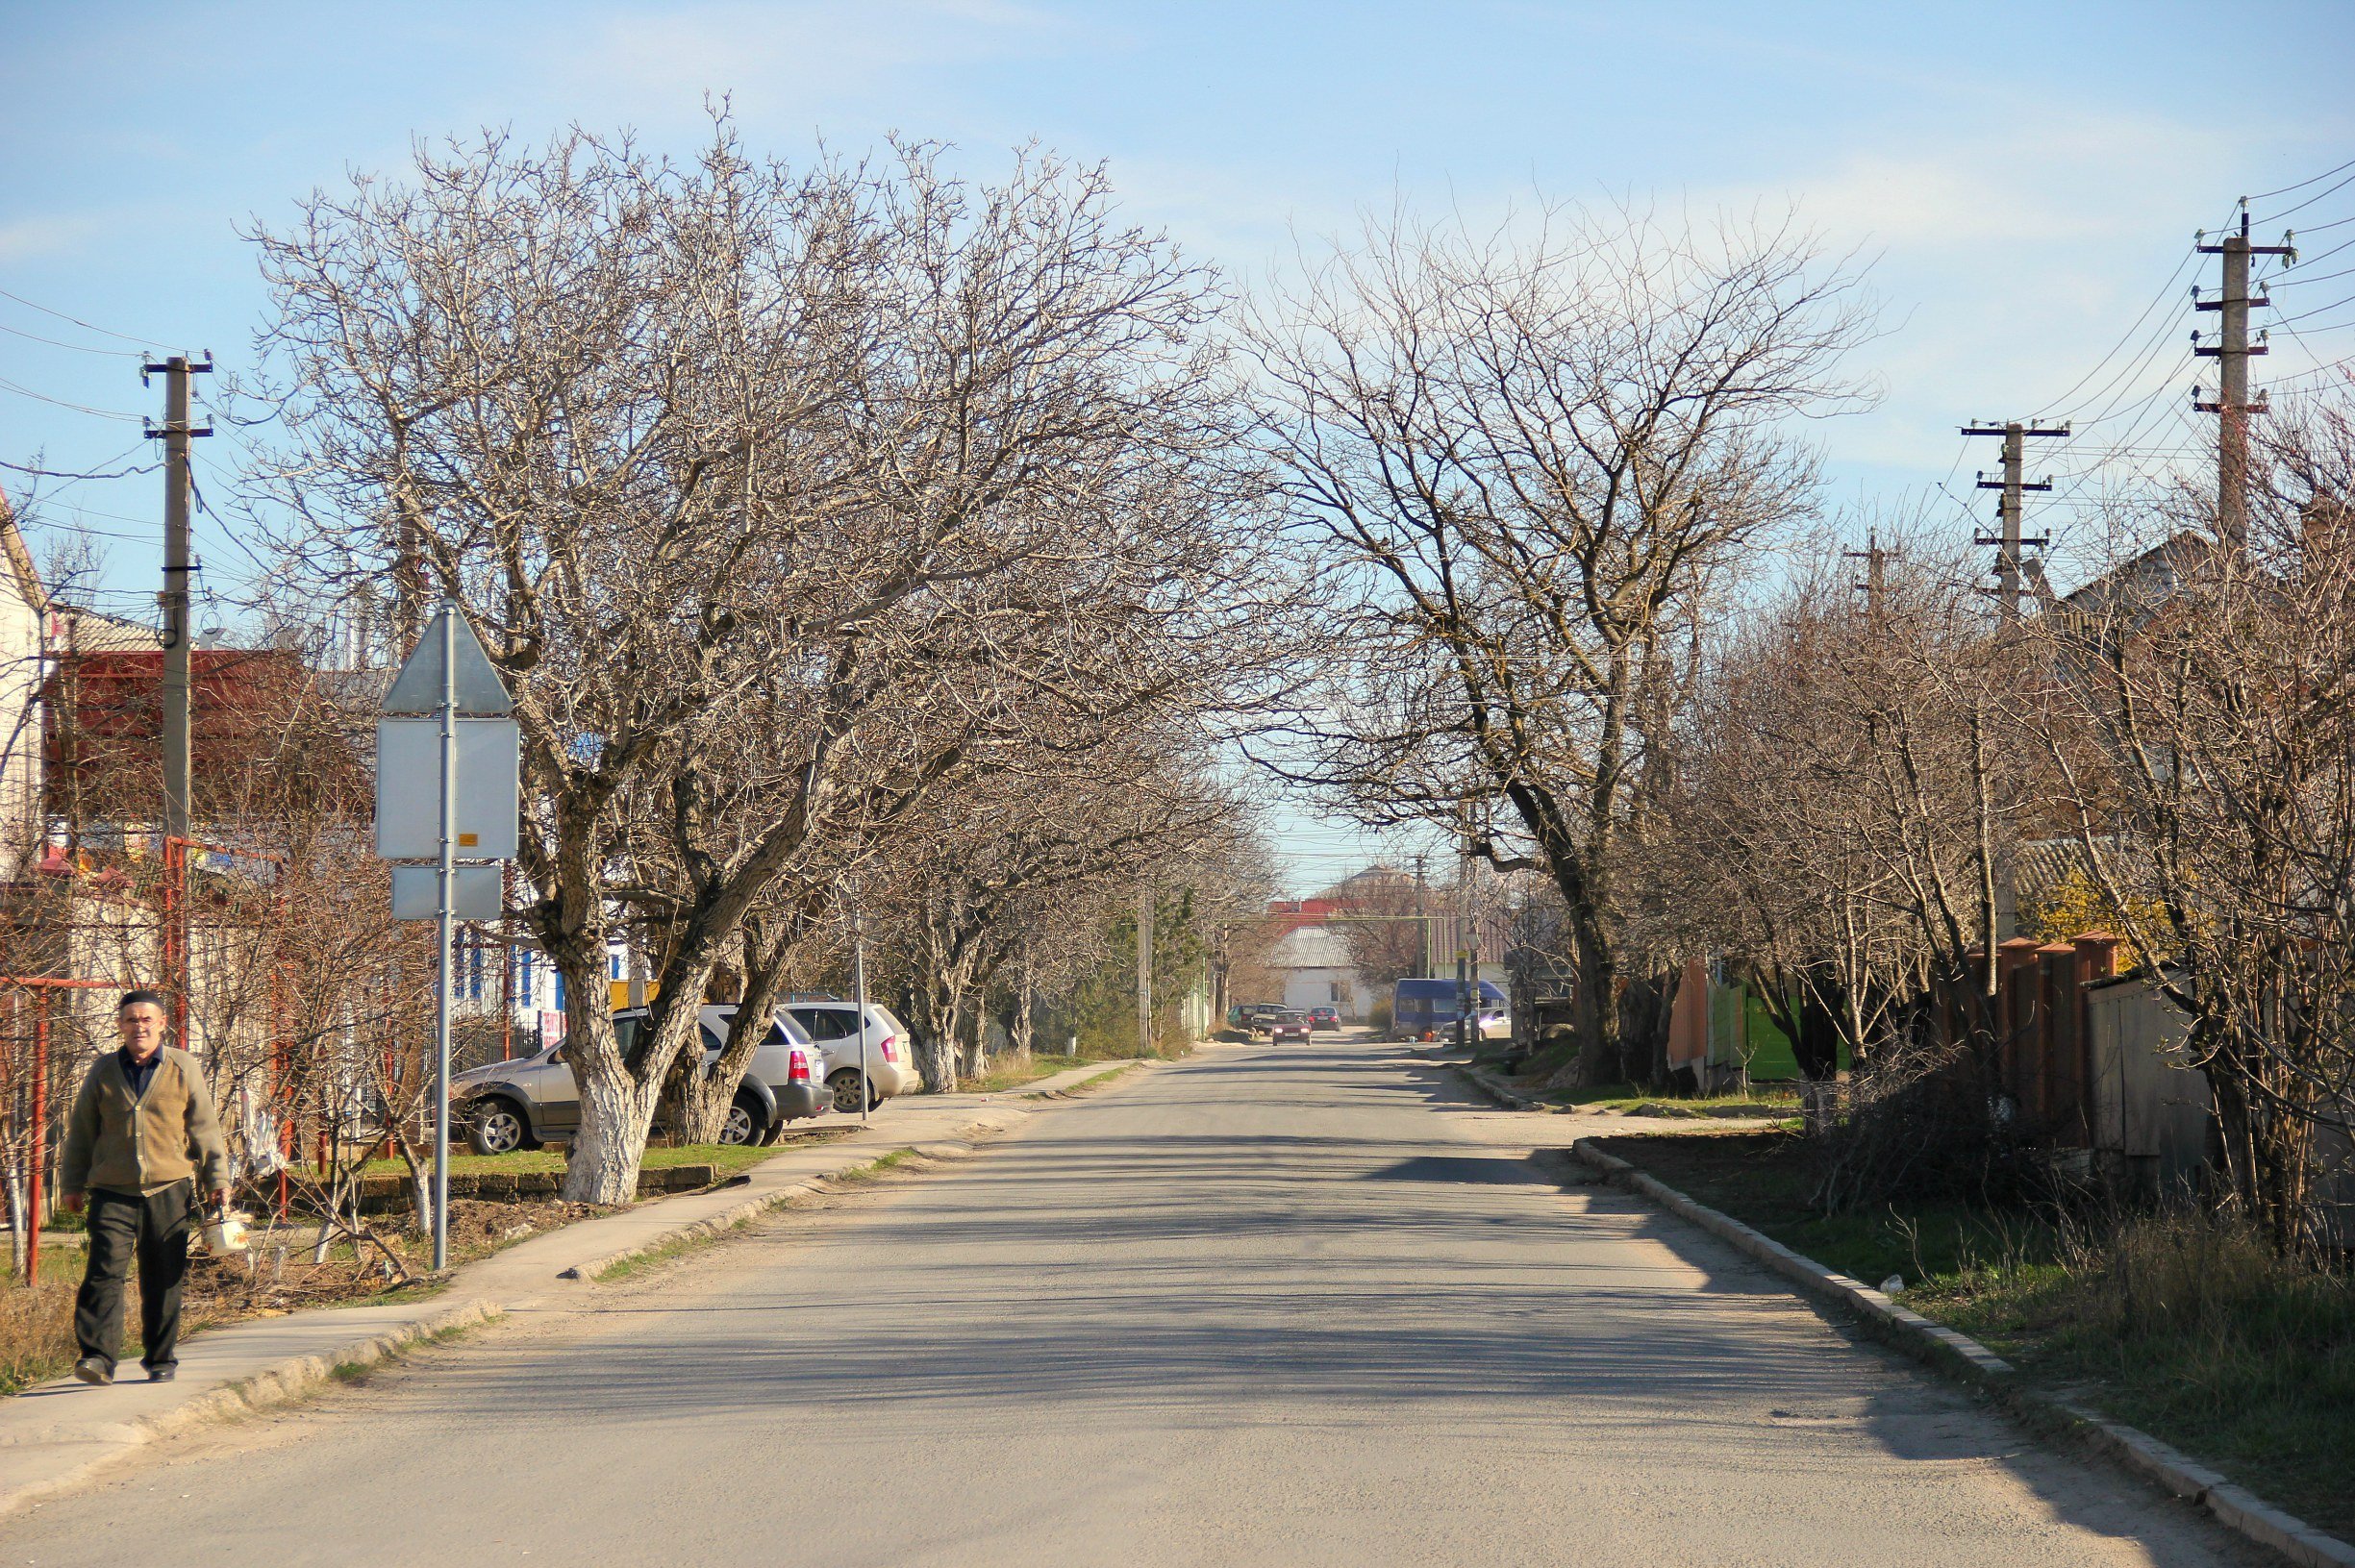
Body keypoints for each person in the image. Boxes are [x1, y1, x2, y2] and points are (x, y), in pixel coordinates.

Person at [58, 989, 231, 1385]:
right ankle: (98, 1357)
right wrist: (72, 1183)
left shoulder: (182, 1066)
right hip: (111, 1190)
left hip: (168, 1188)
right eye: (131, 1020)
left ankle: (160, 1357)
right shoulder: (103, 1070)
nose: (139, 1026)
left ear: (161, 1024)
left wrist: (216, 1179)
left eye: (146, 1019)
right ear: (120, 1026)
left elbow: (204, 1128)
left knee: (162, 1274)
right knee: (104, 1273)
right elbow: (82, 1131)